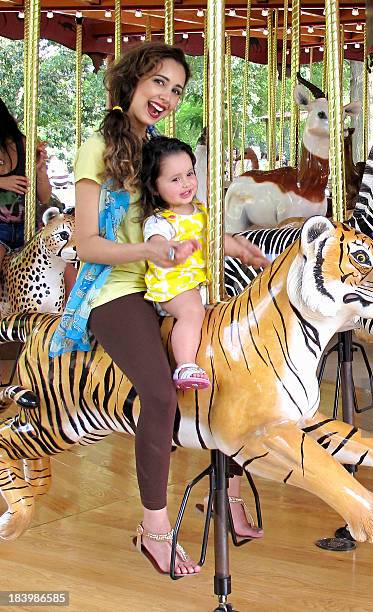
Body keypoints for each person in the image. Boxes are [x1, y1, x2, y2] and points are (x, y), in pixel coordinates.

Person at [49, 43, 266, 577]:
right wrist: (149, 251)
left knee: (232, 369)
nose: (166, 96)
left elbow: (186, 214)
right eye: (159, 83)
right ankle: (153, 527)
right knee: (160, 391)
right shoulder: (95, 149)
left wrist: (237, 245)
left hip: (162, 280)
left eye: (176, 89)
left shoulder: (156, 149)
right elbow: (87, 243)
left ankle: (230, 494)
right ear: (132, 81)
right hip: (115, 286)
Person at [140, 137, 211, 390]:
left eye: (189, 174)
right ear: (155, 187)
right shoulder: (160, 221)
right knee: (193, 310)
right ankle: (185, 365)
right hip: (173, 287)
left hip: (200, 282)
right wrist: (173, 250)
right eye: (174, 179)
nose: (186, 183)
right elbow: (157, 245)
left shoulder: (201, 210)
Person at [0, 96, 52, 267]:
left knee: (66, 273)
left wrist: (40, 169)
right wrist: (2, 183)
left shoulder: (24, 146)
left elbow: (44, 198)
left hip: (28, 229)